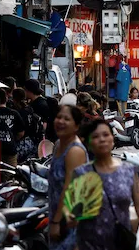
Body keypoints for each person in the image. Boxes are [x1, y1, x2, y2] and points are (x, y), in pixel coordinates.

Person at [74, 119, 139, 250]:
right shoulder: (81, 174)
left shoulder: (128, 171)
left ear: (113, 139)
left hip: (121, 241)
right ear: (88, 143)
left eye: (106, 134)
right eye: (96, 136)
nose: (102, 139)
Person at [48, 105, 88, 250]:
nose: (61, 122)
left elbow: (70, 188)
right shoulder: (59, 145)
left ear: (76, 126)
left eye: (66, 119)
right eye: (59, 117)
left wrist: (56, 222)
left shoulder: (75, 151)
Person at [0, 88, 25, 166]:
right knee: (11, 174)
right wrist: (12, 138)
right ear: (6, 98)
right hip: (10, 149)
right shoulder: (14, 113)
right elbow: (21, 133)